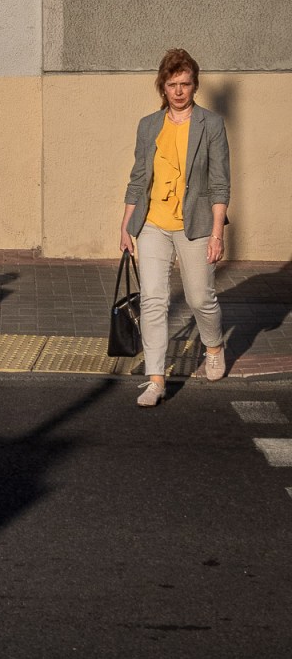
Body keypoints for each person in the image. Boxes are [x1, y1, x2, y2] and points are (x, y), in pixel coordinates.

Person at [120, 48, 230, 406]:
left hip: (195, 225)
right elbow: (138, 179)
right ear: (162, 87)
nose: (179, 90)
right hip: (153, 223)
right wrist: (126, 226)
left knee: (200, 298)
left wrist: (218, 233)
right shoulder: (148, 125)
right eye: (172, 84)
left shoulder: (211, 125)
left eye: (185, 83)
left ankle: (213, 346)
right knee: (153, 299)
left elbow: (219, 184)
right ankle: (155, 379)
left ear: (195, 86)